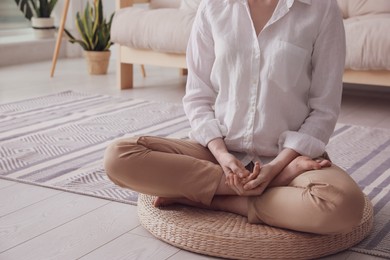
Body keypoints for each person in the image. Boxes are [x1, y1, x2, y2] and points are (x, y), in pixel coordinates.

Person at [104, 0, 365, 235]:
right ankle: (258, 190)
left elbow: (324, 111)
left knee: (344, 206)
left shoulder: (321, 9)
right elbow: (198, 97)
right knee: (120, 156)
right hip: (219, 154)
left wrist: (277, 169)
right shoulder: (213, 7)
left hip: (290, 160)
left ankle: (214, 199)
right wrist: (222, 155)